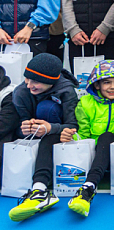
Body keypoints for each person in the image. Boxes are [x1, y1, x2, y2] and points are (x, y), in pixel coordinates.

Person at [8, 54, 78, 222]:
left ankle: (40, 190)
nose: (29, 85)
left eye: (36, 81)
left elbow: (73, 125)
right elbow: (15, 126)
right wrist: (24, 129)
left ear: (51, 81)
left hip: (58, 135)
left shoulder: (67, 90)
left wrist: (50, 128)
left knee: (47, 109)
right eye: (27, 78)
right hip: (32, 139)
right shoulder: (21, 92)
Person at [63, 60, 114, 217]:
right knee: (104, 137)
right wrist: (71, 134)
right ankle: (89, 187)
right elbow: (83, 135)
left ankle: (88, 186)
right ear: (96, 85)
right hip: (95, 154)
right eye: (107, 82)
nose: (113, 87)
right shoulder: (85, 103)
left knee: (108, 137)